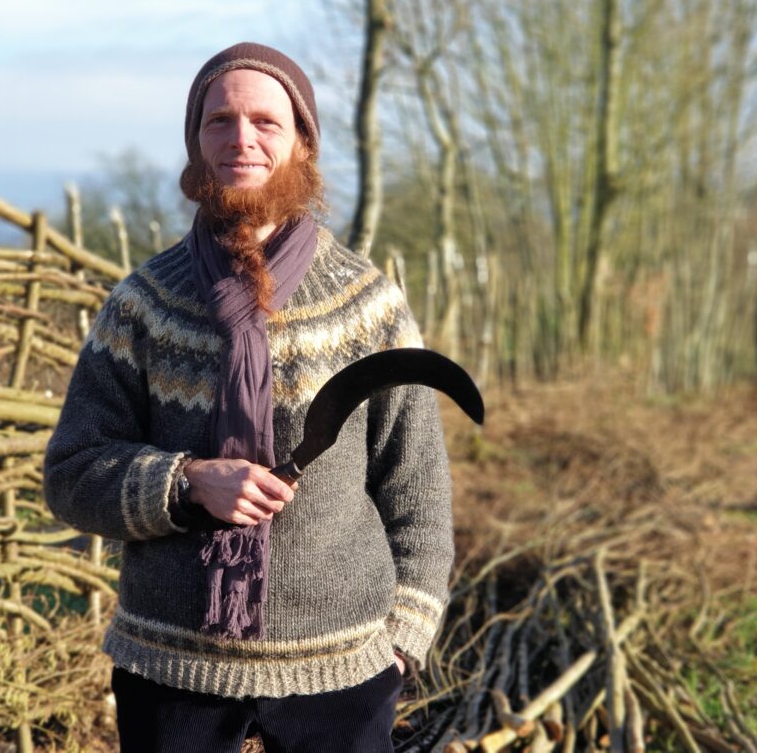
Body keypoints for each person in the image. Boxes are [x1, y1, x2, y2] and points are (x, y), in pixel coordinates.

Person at [43, 42, 454, 753]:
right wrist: (187, 481)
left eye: (266, 122)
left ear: (302, 141)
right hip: (172, 666)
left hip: (344, 669)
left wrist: (404, 640)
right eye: (220, 121)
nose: (242, 140)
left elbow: (417, 490)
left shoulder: (366, 306)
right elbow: (72, 474)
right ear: (195, 142)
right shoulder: (145, 306)